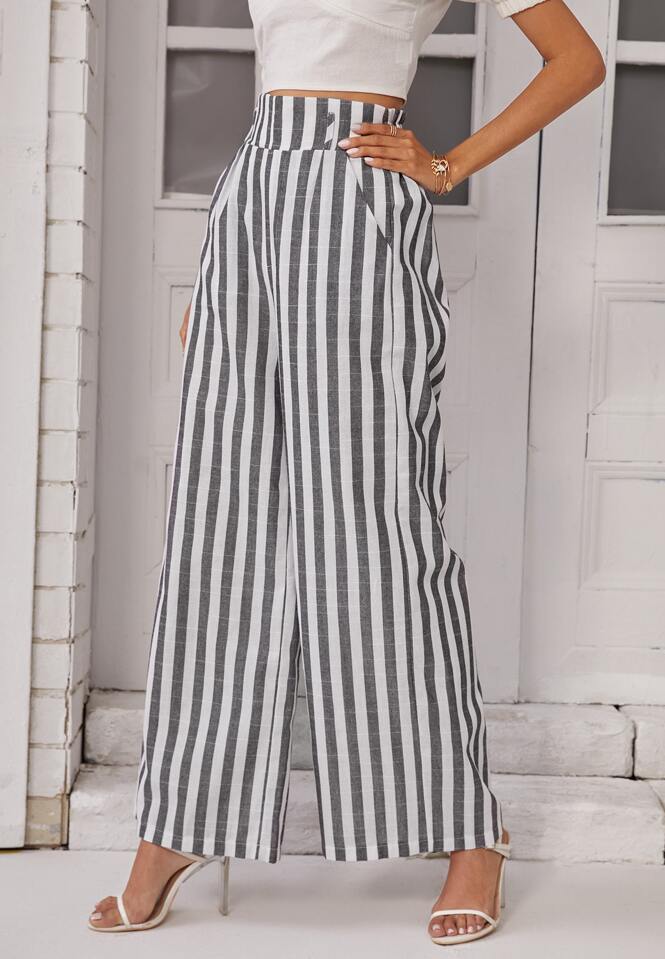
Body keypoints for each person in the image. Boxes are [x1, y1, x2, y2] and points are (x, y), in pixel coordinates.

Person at [88, 0, 604, 945]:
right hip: (253, 208)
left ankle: (469, 830)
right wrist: (220, 274)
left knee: (379, 528)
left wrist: (447, 166)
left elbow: (576, 59)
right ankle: (178, 822)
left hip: (362, 211)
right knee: (219, 526)